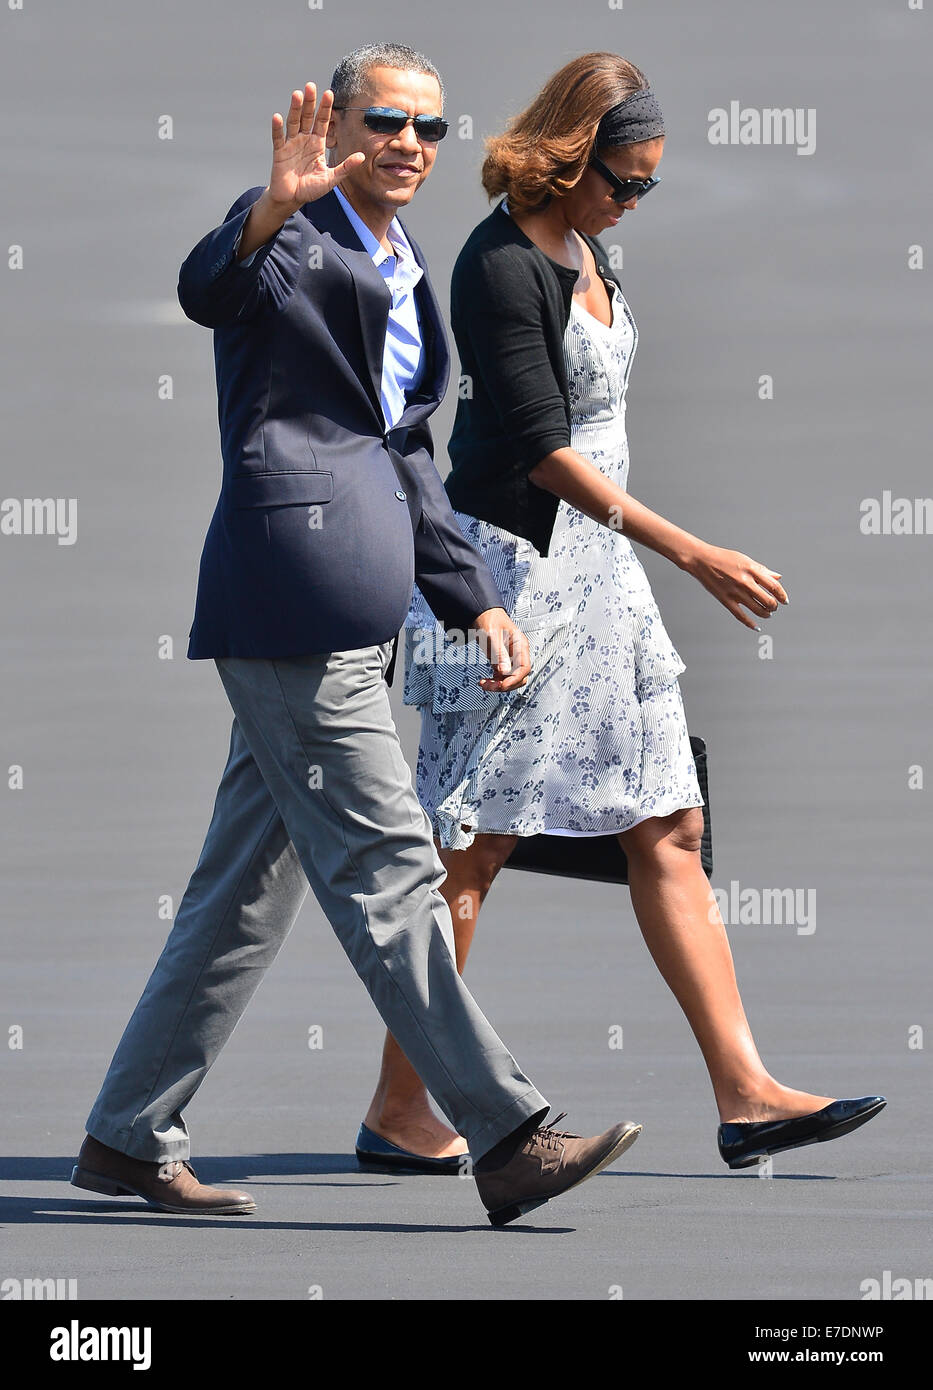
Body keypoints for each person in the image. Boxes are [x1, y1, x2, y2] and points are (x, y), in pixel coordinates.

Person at [70, 43, 642, 1229]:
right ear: (337, 123)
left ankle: (128, 1136)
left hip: (358, 605)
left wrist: (471, 596)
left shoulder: (404, 259)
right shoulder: (290, 231)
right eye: (386, 121)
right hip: (292, 601)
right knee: (390, 871)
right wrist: (270, 207)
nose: (410, 146)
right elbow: (210, 291)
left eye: (430, 130)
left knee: (242, 894)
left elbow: (403, 458)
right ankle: (508, 1135)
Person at [358, 51, 884, 1174]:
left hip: (604, 583)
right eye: (622, 182)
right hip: (508, 579)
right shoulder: (499, 264)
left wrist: (651, 564)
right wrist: (692, 550)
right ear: (566, 156)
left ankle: (746, 1094)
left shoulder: (584, 246)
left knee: (671, 826)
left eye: (647, 188)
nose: (631, 201)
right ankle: (403, 1109)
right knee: (473, 843)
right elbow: (543, 449)